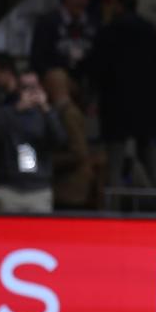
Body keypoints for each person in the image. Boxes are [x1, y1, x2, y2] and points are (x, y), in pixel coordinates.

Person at [88, 0, 156, 189]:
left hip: (115, 106)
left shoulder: (108, 31)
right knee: (152, 163)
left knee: (114, 166)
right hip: (146, 105)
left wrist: (95, 94)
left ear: (119, 6)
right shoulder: (149, 31)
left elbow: (95, 68)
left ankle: (113, 208)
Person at [0, 71, 66, 213]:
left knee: (40, 228)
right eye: (25, 87)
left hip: (39, 190)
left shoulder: (46, 115)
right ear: (18, 90)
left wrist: (46, 109)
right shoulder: (5, 113)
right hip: (10, 189)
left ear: (41, 88)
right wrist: (17, 110)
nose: (31, 92)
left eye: (34, 87)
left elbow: (60, 140)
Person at [41, 68, 93, 210]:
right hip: (65, 187)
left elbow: (79, 152)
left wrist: (47, 161)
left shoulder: (68, 114)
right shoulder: (62, 111)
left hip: (70, 188)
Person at [30, 0, 95, 78]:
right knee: (58, 76)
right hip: (55, 74)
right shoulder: (48, 22)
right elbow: (38, 58)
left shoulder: (92, 23)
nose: (81, 2)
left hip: (84, 75)